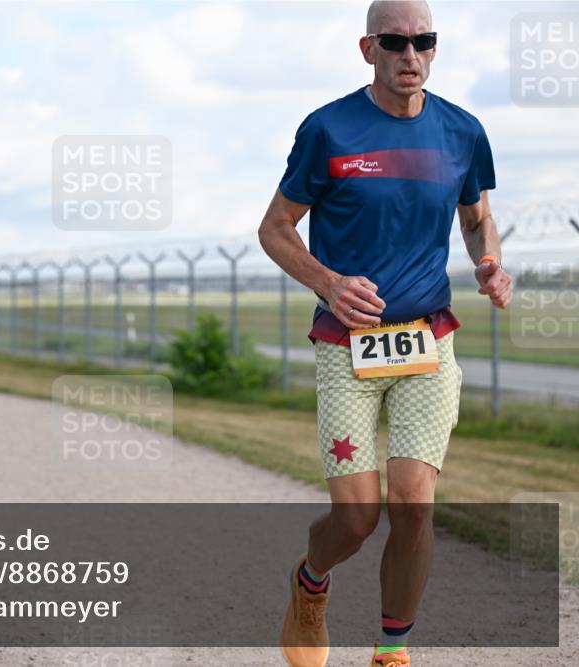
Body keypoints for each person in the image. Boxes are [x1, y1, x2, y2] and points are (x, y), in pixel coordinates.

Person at [256, 3, 513, 666]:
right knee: (356, 518)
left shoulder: (462, 131)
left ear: (435, 47)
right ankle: (311, 581)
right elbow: (275, 229)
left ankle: (391, 650)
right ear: (368, 48)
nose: (410, 55)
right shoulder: (329, 129)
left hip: (428, 340)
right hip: (347, 347)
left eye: (423, 41)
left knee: (415, 504)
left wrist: (489, 260)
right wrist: (329, 282)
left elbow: (477, 217)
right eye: (395, 43)